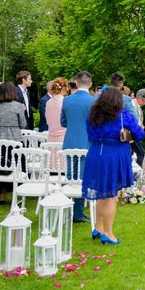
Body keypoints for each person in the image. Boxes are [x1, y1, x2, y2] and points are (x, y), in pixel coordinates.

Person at [83, 87, 144, 245]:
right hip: (113, 156)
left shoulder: (93, 116)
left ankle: (98, 227)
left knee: (101, 194)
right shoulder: (123, 116)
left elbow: (90, 135)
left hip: (96, 154)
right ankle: (109, 234)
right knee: (111, 196)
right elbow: (139, 134)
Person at [61, 71, 95, 223]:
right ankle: (78, 213)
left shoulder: (66, 100)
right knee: (82, 177)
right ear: (90, 84)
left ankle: (69, 208)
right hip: (87, 142)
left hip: (70, 142)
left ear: (76, 82)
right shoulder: (93, 101)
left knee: (71, 176)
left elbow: (63, 122)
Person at [0, 82, 28, 203]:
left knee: (0, 165)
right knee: (18, 166)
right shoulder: (18, 106)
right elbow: (23, 124)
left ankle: (1, 194)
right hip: (14, 139)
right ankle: (17, 192)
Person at [130, 88, 145, 166]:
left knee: (132, 153)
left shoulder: (139, 107)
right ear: (139, 98)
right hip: (132, 133)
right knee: (140, 152)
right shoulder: (132, 105)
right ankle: (137, 172)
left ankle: (133, 172)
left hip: (135, 133)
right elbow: (132, 119)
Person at [45, 77, 68, 143]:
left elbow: (48, 121)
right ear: (64, 88)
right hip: (63, 138)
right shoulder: (65, 101)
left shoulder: (48, 102)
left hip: (50, 138)